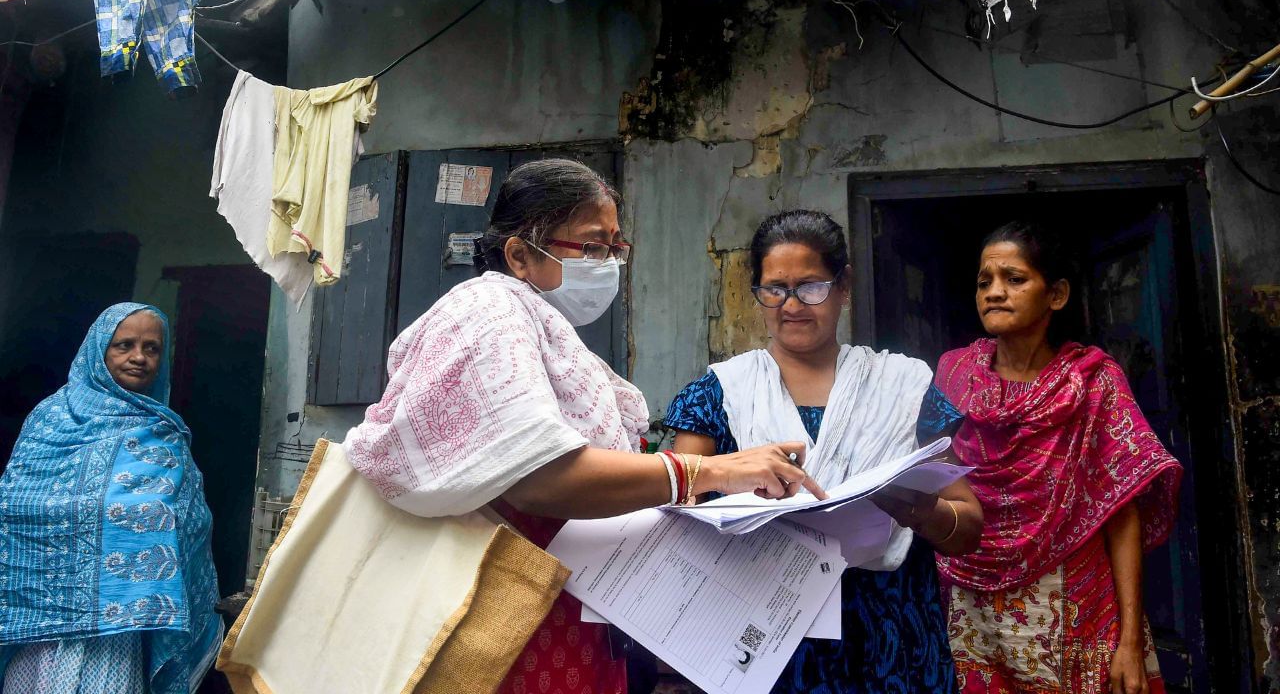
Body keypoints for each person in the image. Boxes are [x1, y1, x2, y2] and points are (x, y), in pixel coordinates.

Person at [338, 159, 825, 694]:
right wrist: (709, 472)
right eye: (592, 247)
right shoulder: (489, 313)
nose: (609, 264)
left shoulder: (539, 326)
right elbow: (540, 476)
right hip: (507, 624)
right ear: (520, 255)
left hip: (561, 610)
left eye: (615, 248)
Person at [664, 209, 984, 693]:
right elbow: (679, 524)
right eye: (775, 289)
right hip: (762, 636)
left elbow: (969, 527)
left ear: (844, 286)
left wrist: (922, 511)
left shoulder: (902, 387)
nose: (792, 305)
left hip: (891, 638)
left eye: (811, 287)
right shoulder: (719, 394)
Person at [935, 221, 1183, 694]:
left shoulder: (1092, 383)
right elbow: (930, 474)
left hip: (1077, 605)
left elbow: (1121, 512)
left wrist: (1130, 641)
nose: (994, 292)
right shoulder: (954, 375)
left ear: (1057, 294)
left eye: (1014, 279)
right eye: (984, 282)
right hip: (973, 604)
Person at [0, 303, 221, 694]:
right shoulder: (50, 418)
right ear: (98, 350)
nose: (139, 357)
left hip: (119, 633)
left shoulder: (162, 433)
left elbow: (190, 524)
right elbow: (13, 508)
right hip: (40, 625)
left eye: (152, 348)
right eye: (124, 345)